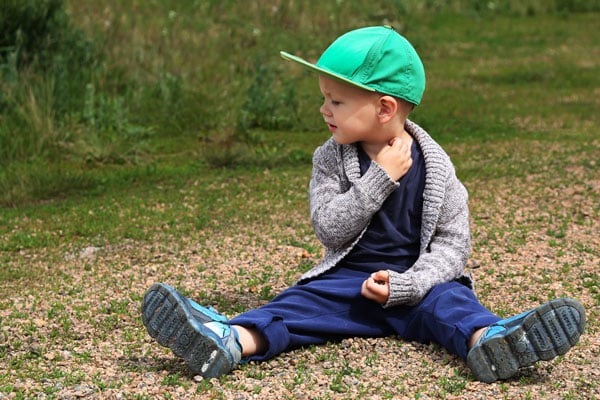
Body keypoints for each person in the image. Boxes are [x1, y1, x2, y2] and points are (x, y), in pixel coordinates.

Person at [141, 26, 586, 383]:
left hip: (417, 285)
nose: (324, 109)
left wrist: (408, 287)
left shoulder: (437, 168)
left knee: (452, 304)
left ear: (385, 107)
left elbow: (452, 248)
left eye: (336, 100)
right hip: (349, 283)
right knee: (297, 304)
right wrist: (379, 179)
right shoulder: (330, 157)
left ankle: (492, 340)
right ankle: (231, 338)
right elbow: (330, 230)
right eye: (324, 98)